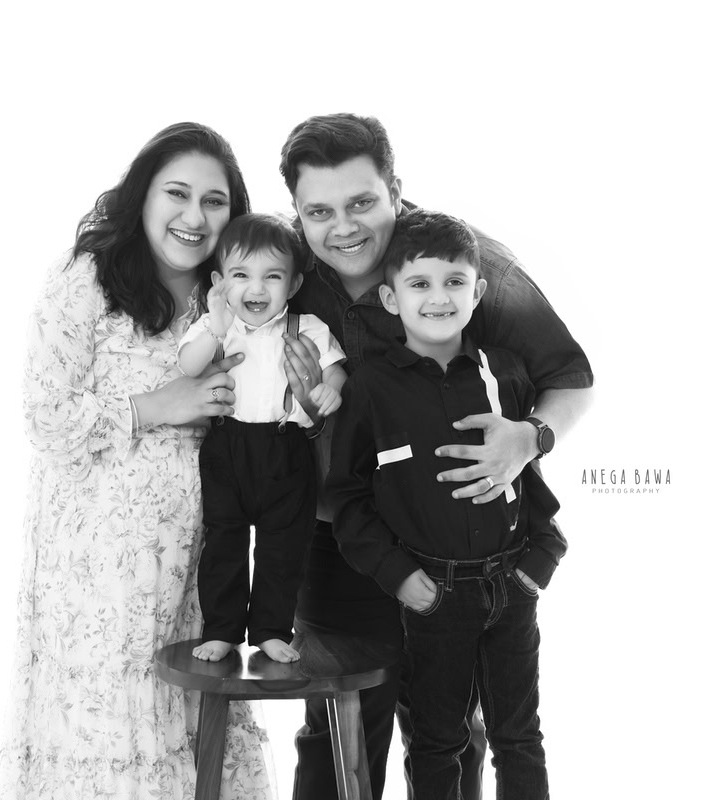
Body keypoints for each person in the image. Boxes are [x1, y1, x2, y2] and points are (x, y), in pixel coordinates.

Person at [277, 113, 594, 800]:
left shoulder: (467, 264)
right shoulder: (290, 266)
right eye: (319, 212)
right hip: (342, 532)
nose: (344, 228)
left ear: (396, 188)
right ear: (297, 214)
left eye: (363, 202)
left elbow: (571, 378)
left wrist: (528, 438)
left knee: (448, 733)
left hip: (459, 543)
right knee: (337, 728)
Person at [0, 122, 274, 800]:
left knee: (190, 712)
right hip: (95, 574)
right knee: (109, 726)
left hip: (194, 560)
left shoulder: (231, 293)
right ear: (142, 195)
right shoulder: (86, 279)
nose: (194, 216)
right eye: (177, 193)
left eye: (215, 201)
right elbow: (45, 415)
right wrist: (157, 405)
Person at [328, 208, 562, 799]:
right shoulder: (371, 390)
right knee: (436, 742)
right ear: (390, 297)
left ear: (478, 292)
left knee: (519, 737)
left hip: (511, 589)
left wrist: (540, 564)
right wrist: (401, 578)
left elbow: (528, 477)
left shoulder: (502, 375)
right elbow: (349, 499)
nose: (439, 298)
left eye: (454, 282)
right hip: (433, 599)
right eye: (419, 284)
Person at [177, 213, 347, 664]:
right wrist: (214, 324)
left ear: (292, 286)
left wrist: (332, 387)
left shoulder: (307, 327)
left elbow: (335, 369)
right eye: (240, 276)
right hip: (226, 447)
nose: (256, 290)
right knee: (224, 541)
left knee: (284, 546)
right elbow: (191, 367)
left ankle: (272, 630)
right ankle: (222, 630)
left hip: (285, 449)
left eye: (272, 277)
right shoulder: (216, 327)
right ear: (219, 282)